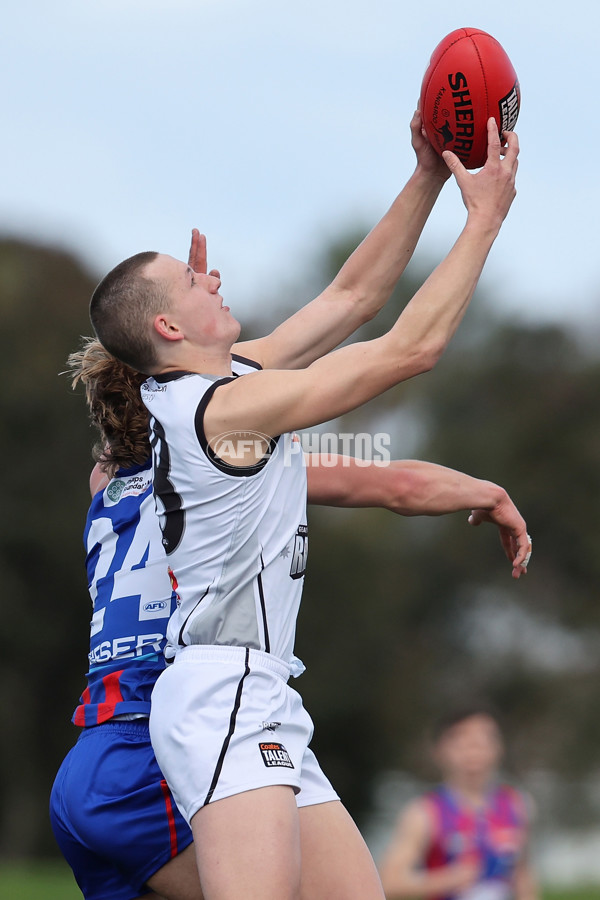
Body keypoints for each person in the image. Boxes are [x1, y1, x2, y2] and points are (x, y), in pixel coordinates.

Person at [88, 113, 524, 900]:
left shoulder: (213, 386)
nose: (212, 276)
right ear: (168, 326)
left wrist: (426, 174)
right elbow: (407, 351)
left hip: (262, 689)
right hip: (221, 694)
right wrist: (483, 221)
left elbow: (354, 296)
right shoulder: (221, 411)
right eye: (193, 282)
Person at [51, 339, 530, 900]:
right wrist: (486, 491)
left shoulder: (104, 483)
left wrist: (168, 346)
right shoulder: (225, 469)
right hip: (157, 752)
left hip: (95, 752)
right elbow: (393, 482)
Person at [377, 706, 538, 900]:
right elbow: (388, 883)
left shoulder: (516, 805)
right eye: (462, 741)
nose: (474, 749)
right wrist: (448, 879)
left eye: (484, 740)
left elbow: (522, 874)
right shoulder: (424, 812)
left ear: (499, 747)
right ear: (439, 750)